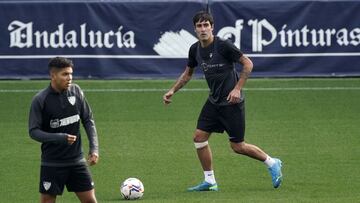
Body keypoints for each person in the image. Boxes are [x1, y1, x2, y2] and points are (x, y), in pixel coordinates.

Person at [163, 11, 283, 191]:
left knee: (238, 146)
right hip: (214, 102)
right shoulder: (195, 49)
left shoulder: (223, 45)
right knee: (199, 137)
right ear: (195, 29)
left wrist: (237, 89)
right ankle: (210, 181)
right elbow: (188, 73)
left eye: (206, 25)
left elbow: (248, 63)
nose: (203, 29)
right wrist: (173, 90)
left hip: (232, 104)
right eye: (199, 26)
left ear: (212, 27)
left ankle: (272, 162)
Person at [29, 57, 99, 203]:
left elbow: (88, 119)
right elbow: (33, 131)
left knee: (90, 201)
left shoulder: (76, 91)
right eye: (65, 74)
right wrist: (59, 137)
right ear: (53, 76)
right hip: (52, 163)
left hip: (77, 161)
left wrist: (94, 149)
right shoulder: (40, 100)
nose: (70, 78)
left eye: (71, 74)